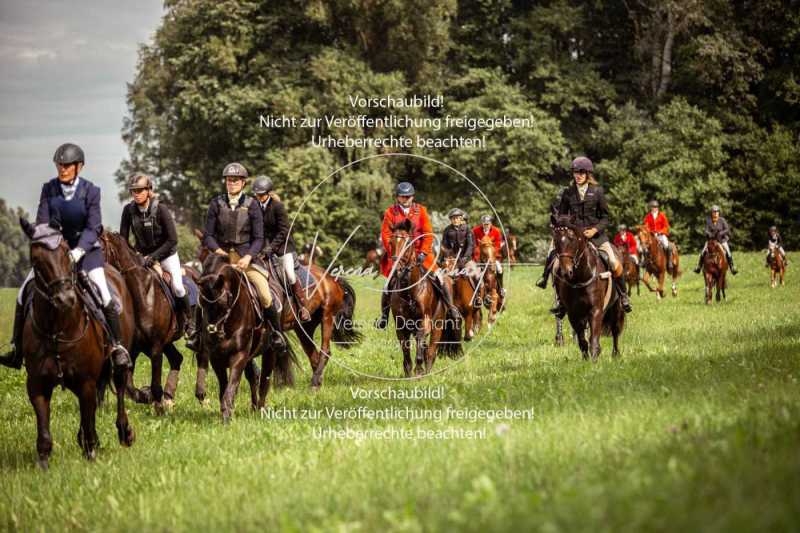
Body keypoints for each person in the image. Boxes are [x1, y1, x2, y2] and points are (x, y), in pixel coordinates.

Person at [0, 143, 131, 369]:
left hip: (87, 253)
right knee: (23, 292)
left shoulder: (91, 191)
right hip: (55, 254)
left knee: (103, 292)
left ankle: (117, 345)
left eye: (67, 165)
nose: (63, 169)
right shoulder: (48, 189)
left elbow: (93, 226)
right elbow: (43, 221)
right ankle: (17, 349)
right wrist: (51, 245)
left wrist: (79, 250)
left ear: (79, 166)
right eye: (60, 165)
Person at [191, 162, 285, 350]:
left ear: (243, 183)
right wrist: (217, 250)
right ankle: (196, 334)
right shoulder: (216, 203)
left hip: (246, 257)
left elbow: (259, 238)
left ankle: (276, 333)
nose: (231, 183)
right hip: (220, 258)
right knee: (205, 291)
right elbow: (208, 234)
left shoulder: (252, 205)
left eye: (235, 180)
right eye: (228, 180)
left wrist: (249, 257)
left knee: (264, 293)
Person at [551, 156, 632, 316]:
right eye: (575, 172)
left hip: (596, 236)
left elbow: (606, 217)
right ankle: (561, 302)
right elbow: (561, 216)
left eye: (581, 172)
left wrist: (594, 230)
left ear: (587, 174)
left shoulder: (597, 192)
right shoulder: (568, 193)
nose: (578, 175)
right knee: (555, 266)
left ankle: (623, 296)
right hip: (573, 239)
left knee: (614, 262)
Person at [375, 182, 461, 329]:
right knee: (387, 284)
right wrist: (394, 253)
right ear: (398, 197)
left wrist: (423, 252)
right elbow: (386, 235)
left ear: (412, 196)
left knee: (440, 278)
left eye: (408, 196)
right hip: (398, 256)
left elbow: (428, 234)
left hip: (422, 254)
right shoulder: (390, 212)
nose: (406, 199)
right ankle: (384, 316)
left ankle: (451, 308)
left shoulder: (421, 210)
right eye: (403, 196)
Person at [119, 174, 193, 338]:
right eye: (133, 191)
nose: (136, 194)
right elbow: (123, 239)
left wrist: (153, 257)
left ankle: (190, 322)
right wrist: (134, 255)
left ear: (149, 190)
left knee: (178, 287)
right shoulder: (128, 210)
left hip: (166, 255)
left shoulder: (161, 209)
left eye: (140, 190)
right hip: (142, 257)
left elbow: (173, 239)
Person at [252, 175, 310, 322]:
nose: (259, 197)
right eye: (257, 195)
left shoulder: (278, 207)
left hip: (283, 247)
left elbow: (284, 231)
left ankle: (303, 307)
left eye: (261, 195)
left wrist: (271, 248)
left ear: (268, 193)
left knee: (290, 274)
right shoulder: (255, 206)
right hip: (263, 246)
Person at [440, 208, 481, 307]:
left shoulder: (467, 229)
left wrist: (465, 257)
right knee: (440, 276)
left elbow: (471, 245)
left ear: (461, 218)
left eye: (457, 218)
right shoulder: (447, 230)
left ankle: (478, 295)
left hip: (465, 259)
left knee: (476, 274)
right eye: (453, 218)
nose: (455, 220)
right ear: (451, 219)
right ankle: (442, 299)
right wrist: (447, 255)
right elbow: (444, 245)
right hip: (451, 259)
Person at [693, 205, 737, 275]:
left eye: (717, 212)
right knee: (703, 251)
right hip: (711, 241)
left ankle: (732, 267)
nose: (715, 213)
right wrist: (709, 234)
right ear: (712, 213)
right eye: (714, 212)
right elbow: (706, 230)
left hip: (721, 240)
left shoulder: (722, 220)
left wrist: (721, 233)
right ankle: (699, 267)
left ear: (719, 213)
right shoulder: (709, 221)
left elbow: (727, 229)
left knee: (728, 251)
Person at [472, 214, 505, 302]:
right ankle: (475, 291)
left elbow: (498, 245)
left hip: (493, 256)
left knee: (499, 269)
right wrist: (478, 255)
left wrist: (492, 254)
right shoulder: (475, 231)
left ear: (491, 223)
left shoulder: (496, 231)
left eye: (488, 224)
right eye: (484, 224)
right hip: (479, 257)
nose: (486, 225)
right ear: (482, 223)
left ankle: (501, 288)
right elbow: (474, 244)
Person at [642, 200, 672, 267]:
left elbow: (666, 226)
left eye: (655, 207)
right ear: (651, 208)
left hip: (661, 235)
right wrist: (650, 232)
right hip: (651, 235)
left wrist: (661, 231)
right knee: (644, 247)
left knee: (667, 245)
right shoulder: (648, 216)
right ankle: (645, 261)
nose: (654, 208)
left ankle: (669, 261)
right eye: (653, 207)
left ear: (657, 208)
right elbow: (646, 226)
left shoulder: (662, 215)